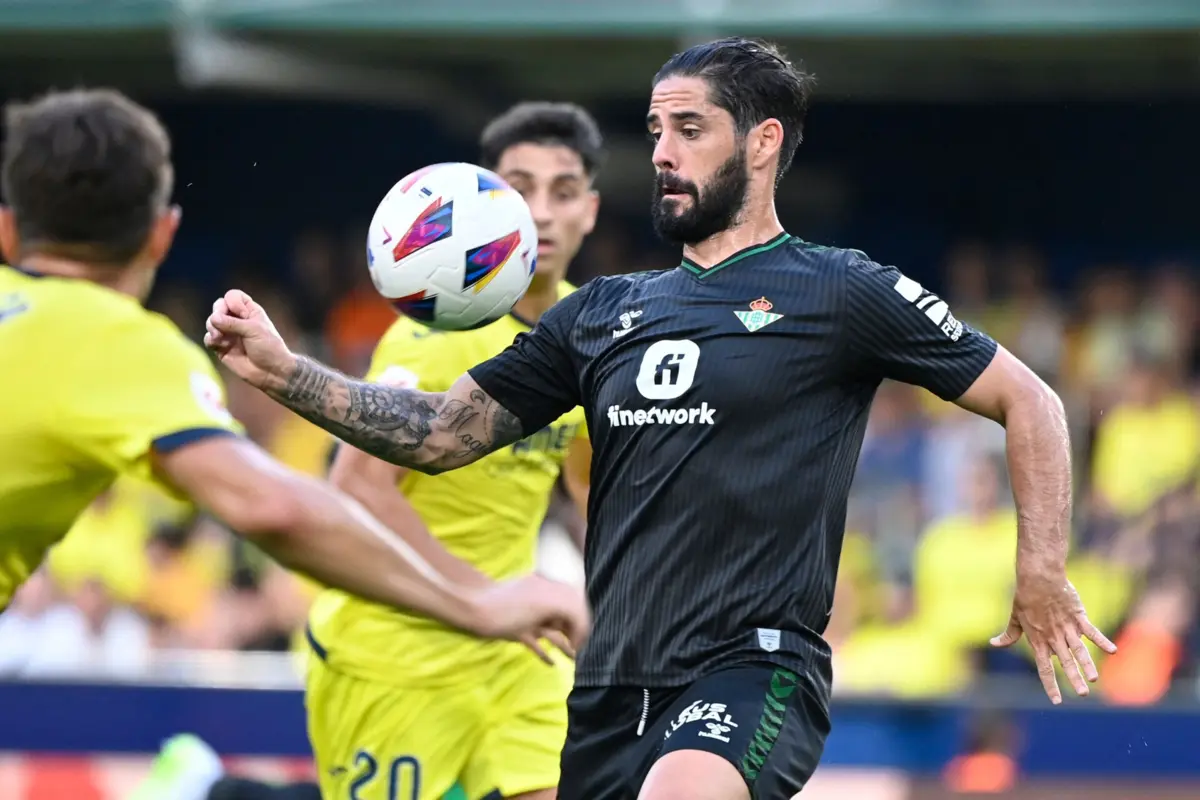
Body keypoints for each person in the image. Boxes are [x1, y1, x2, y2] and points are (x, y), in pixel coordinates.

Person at [206, 38, 1115, 800]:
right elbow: (444, 432)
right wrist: (288, 374)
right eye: (655, 133)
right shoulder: (602, 312)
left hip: (753, 666)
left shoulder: (842, 288)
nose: (664, 153)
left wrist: (1040, 568)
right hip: (608, 686)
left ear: (762, 144)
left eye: (689, 130)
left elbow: (1028, 399)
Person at [0, 88, 589, 678]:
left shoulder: (578, 331)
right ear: (162, 234)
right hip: (398, 665)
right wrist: (476, 601)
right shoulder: (118, 343)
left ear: (6, 230)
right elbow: (276, 506)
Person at [133, 102, 603, 800]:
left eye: (562, 192)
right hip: (394, 649)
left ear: (590, 210)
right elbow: (360, 486)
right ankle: (214, 790)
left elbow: (588, 482)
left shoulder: (587, 328)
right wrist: (481, 593)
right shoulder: (435, 335)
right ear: (478, 203)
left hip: (516, 651)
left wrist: (618, 604)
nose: (539, 213)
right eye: (518, 189)